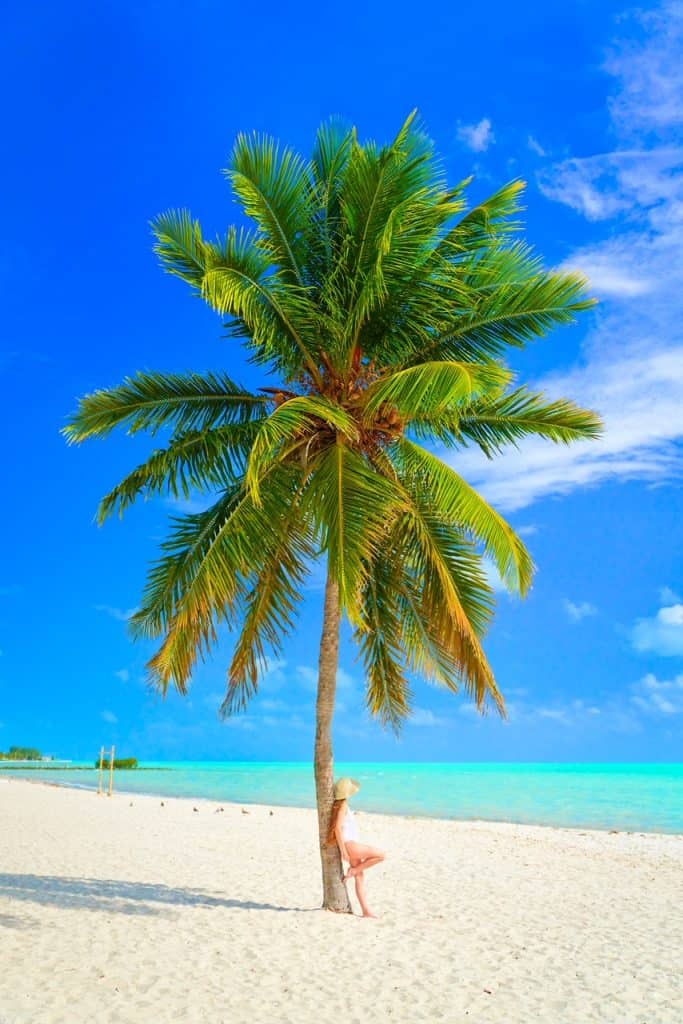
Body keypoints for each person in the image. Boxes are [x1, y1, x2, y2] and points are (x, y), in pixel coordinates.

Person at [327, 777, 385, 918]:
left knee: (360, 878)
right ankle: (353, 870)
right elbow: (337, 829)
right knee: (381, 855)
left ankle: (366, 910)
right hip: (349, 845)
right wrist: (343, 851)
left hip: (350, 844)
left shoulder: (340, 805)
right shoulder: (343, 805)